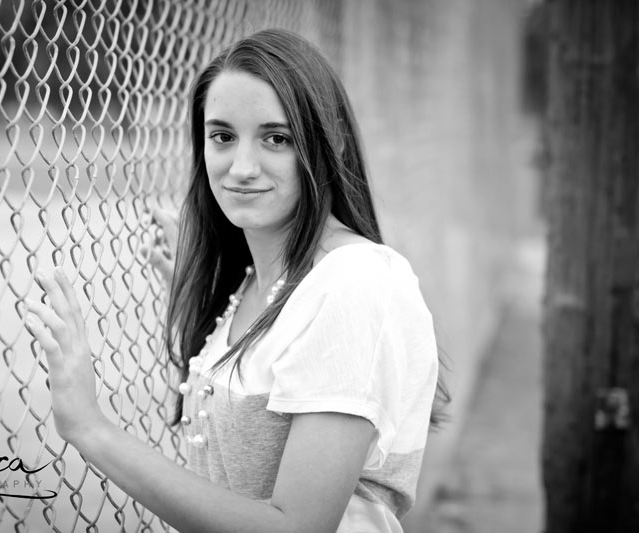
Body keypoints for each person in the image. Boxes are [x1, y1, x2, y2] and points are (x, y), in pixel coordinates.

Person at [25, 28, 448, 533]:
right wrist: (193, 296)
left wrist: (90, 428)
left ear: (324, 142)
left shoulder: (354, 282)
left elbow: (296, 528)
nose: (241, 168)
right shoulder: (258, 281)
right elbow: (238, 439)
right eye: (222, 137)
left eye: (277, 138)